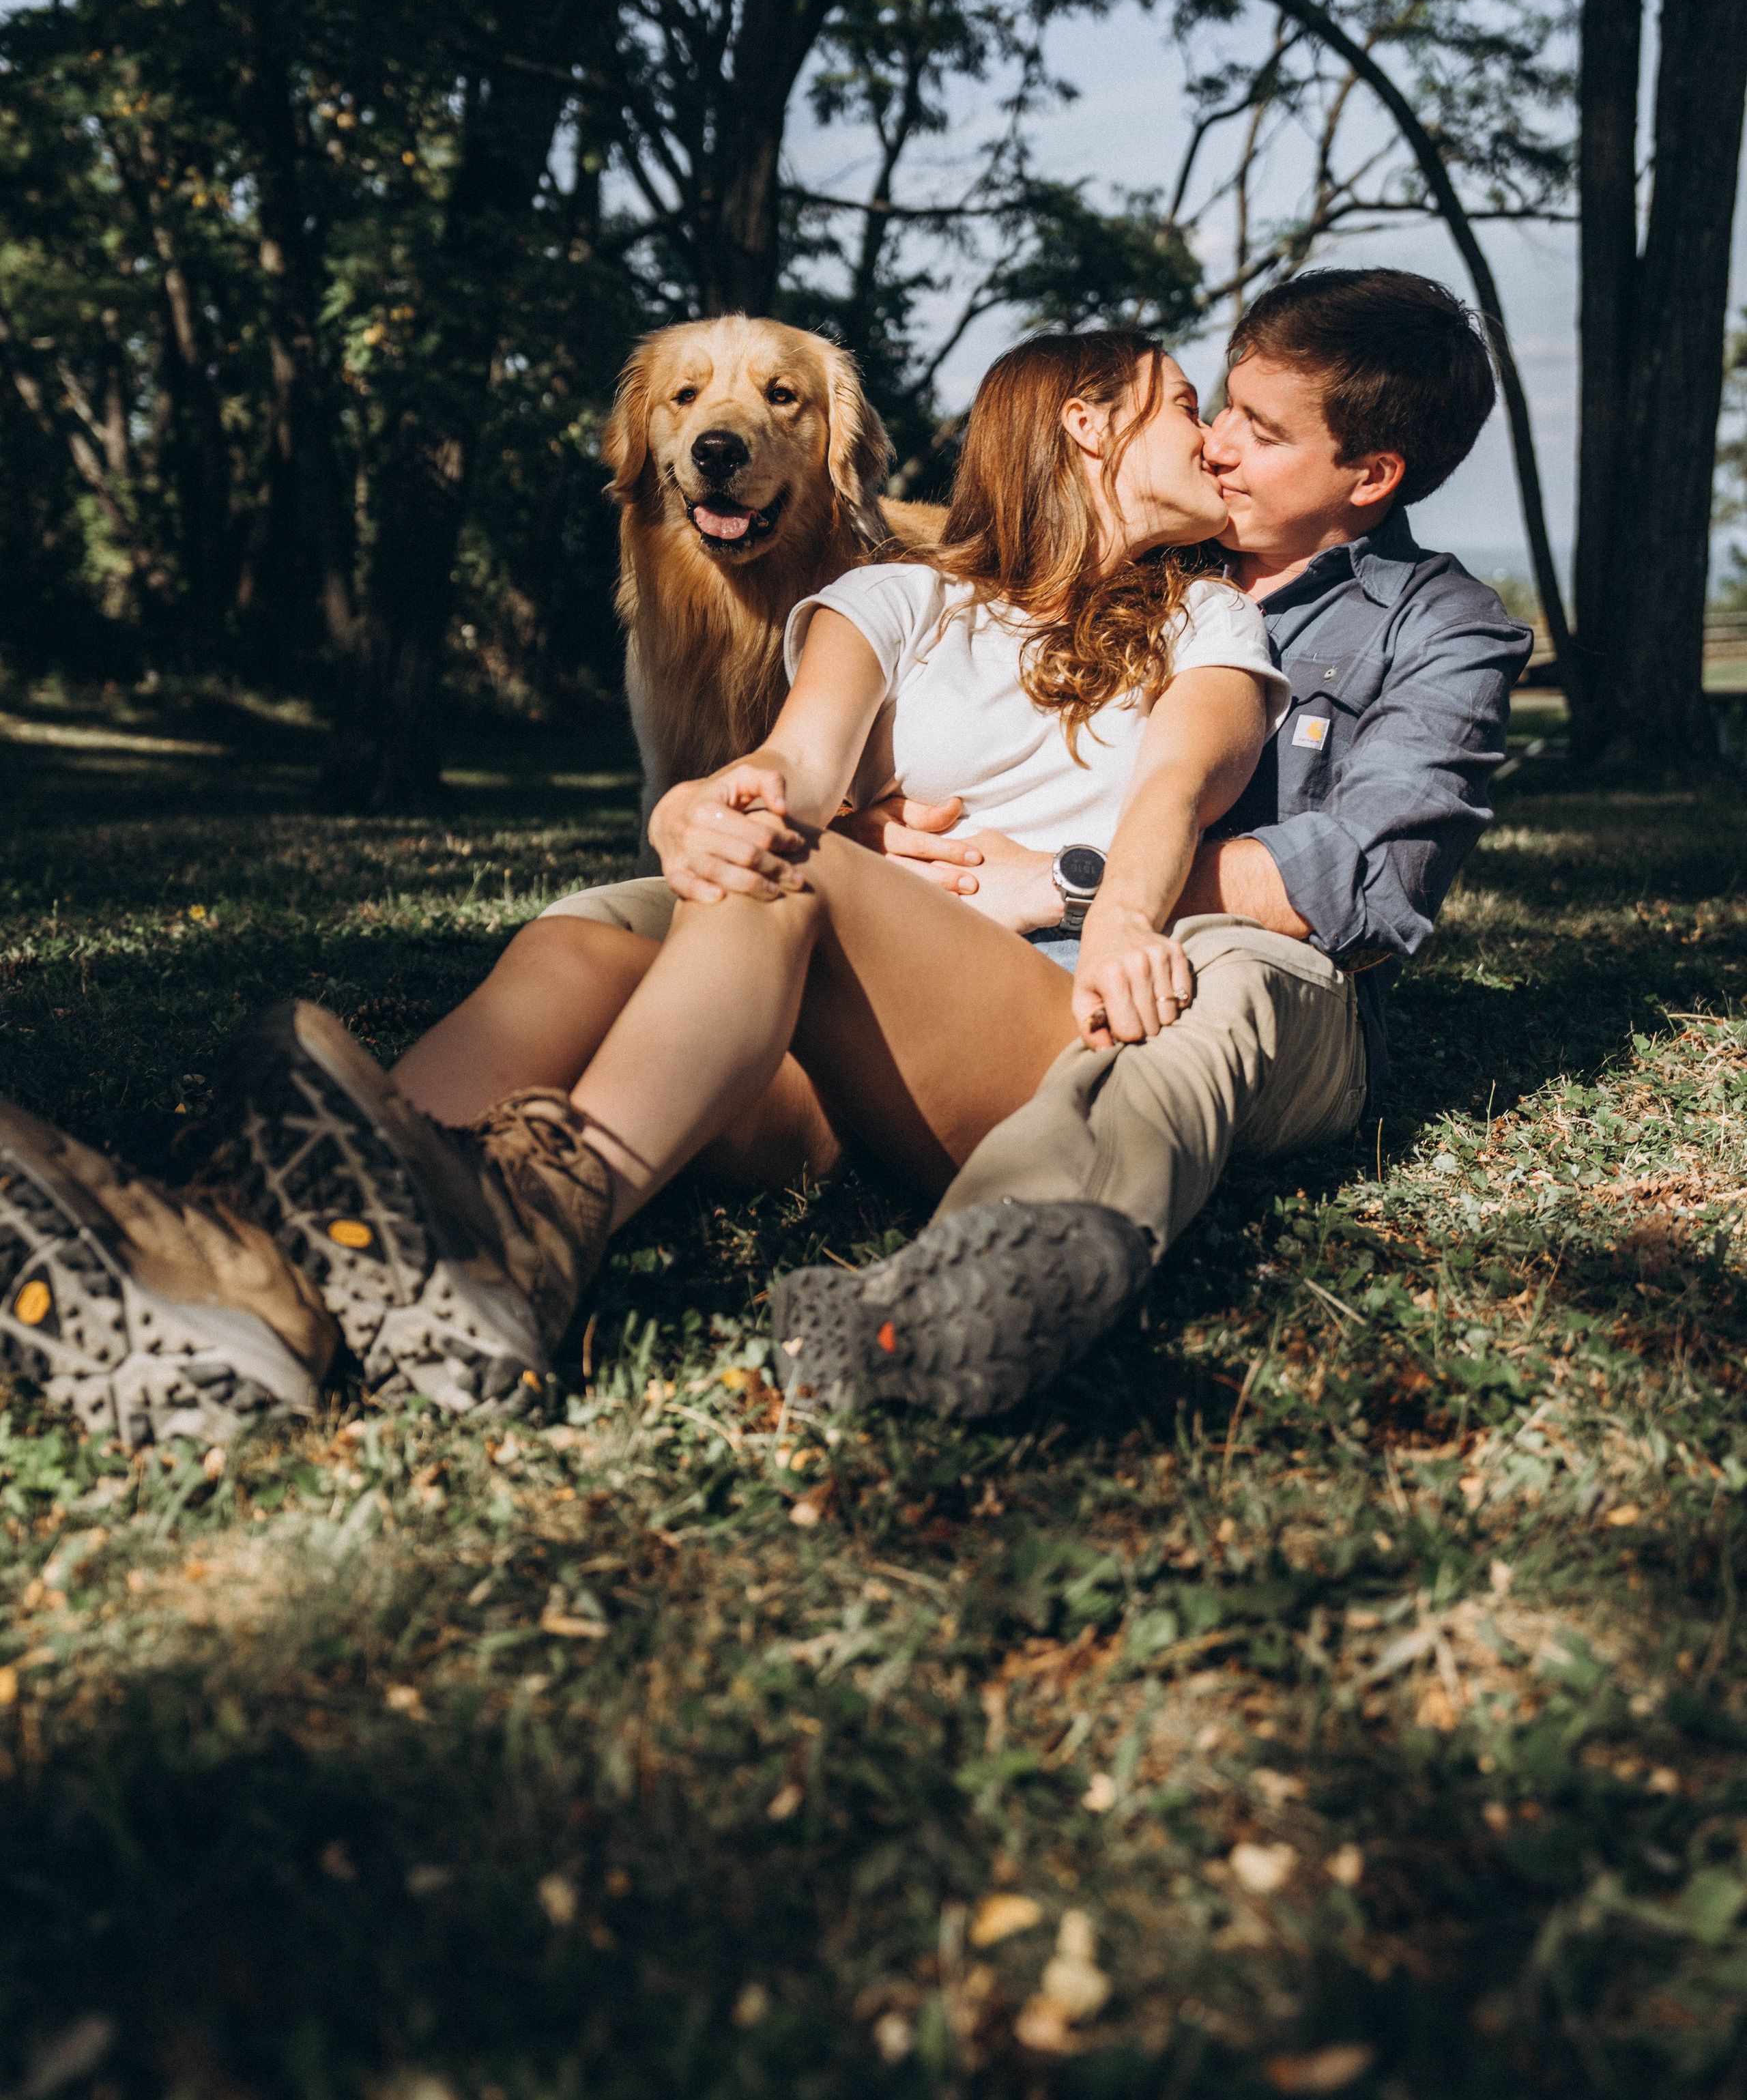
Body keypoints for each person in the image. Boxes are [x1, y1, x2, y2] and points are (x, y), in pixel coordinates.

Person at [0, 330, 1290, 1441]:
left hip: (1034, 1019)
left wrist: (1111, 910)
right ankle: (249, 1275)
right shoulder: (892, 599)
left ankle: (534, 1234)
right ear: (1088, 423)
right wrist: (703, 806)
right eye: (1187, 403)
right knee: (584, 943)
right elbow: (798, 763)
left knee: (793, 875)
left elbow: (1175, 788)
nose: (1217, 436)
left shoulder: (1210, 621)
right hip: (819, 1044)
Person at [431, 264, 1533, 1414]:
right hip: (975, 957)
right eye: (1206, 408)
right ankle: (332, 1198)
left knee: (1198, 989)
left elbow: (1356, 888)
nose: (1211, 445)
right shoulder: (1141, 554)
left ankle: (944, 1294)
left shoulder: (1431, 629)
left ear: (1373, 473)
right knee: (612, 924)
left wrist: (1067, 887)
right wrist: (773, 818)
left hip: (1242, 962)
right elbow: (872, 728)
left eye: (1253, 430)